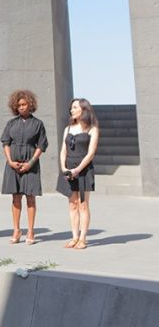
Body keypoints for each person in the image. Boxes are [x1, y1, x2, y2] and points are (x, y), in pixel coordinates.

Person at [0, 90, 48, 245]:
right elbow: (6, 142)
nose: (21, 107)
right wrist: (10, 161)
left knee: (30, 198)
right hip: (13, 164)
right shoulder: (11, 123)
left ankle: (31, 231)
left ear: (30, 104)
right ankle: (16, 230)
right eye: (18, 105)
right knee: (15, 198)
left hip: (30, 165)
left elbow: (41, 145)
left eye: (24, 104)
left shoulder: (38, 124)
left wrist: (31, 163)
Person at [58, 98, 99, 250]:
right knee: (72, 204)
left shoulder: (92, 129)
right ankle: (74, 237)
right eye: (71, 108)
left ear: (84, 109)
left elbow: (91, 153)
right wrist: (63, 167)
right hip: (69, 168)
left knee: (83, 204)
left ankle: (83, 238)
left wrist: (78, 169)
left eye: (75, 107)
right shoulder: (68, 129)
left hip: (84, 170)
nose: (72, 110)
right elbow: (63, 150)